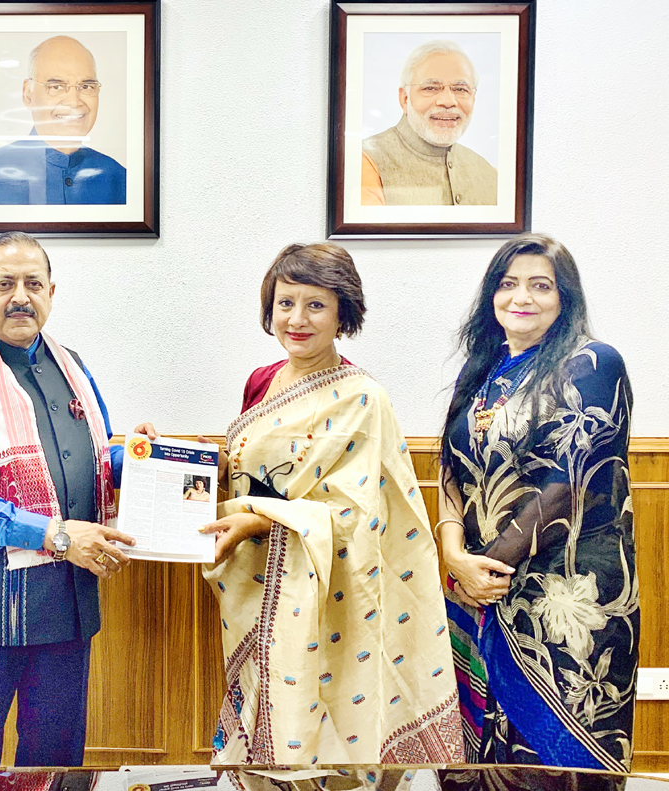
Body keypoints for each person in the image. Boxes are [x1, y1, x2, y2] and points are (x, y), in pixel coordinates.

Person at [199, 243, 464, 765]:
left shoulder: (363, 398)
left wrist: (256, 520)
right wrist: (163, 457)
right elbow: (245, 467)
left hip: (327, 591)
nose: (296, 319)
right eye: (284, 302)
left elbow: (356, 516)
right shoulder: (262, 381)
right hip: (253, 581)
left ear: (344, 312)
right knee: (261, 715)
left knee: (324, 724)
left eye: (315, 304)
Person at [0, 231, 152, 766]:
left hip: (65, 609)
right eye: (4, 284)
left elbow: (92, 464)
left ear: (51, 292)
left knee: (55, 765)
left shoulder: (72, 367)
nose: (20, 296)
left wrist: (142, 461)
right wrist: (54, 534)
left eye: (33, 284)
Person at [436, 235, 639, 774]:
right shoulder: (480, 370)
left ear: (564, 297)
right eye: (508, 284)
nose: (521, 297)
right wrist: (455, 556)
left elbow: (569, 483)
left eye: (540, 285)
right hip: (477, 587)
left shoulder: (593, 363)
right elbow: (451, 470)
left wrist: (486, 572)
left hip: (563, 595)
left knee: (553, 766)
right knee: (473, 756)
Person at [0, 36, 126, 205]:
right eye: (56, 87)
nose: (74, 102)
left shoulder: (119, 179)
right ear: (28, 95)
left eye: (86, 86)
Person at [361, 40, 497, 206]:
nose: (448, 101)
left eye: (460, 89)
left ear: (473, 99)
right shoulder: (365, 161)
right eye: (431, 88)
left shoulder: (490, 174)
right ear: (404, 99)